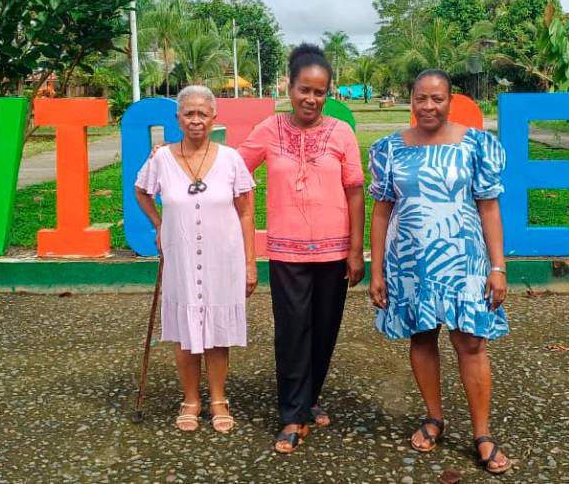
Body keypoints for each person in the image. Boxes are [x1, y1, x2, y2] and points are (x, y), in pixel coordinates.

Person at [367, 69, 512, 474]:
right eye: (420, 98)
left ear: (451, 100)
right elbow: (381, 211)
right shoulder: (389, 149)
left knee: (471, 344)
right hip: (411, 263)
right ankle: (434, 418)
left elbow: (488, 206)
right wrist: (376, 269)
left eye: (437, 99)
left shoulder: (476, 145)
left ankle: (482, 434)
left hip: (464, 262)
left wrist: (497, 267)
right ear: (409, 100)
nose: (428, 107)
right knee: (422, 337)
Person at [238, 44, 366, 454]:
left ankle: (309, 397)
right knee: (292, 332)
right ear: (289, 88)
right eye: (304, 89)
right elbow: (234, 168)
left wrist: (355, 249)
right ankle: (292, 415)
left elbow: (355, 191)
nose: (311, 99)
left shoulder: (341, 132)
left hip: (334, 251)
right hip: (287, 252)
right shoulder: (268, 130)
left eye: (320, 91)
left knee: (325, 331)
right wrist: (182, 156)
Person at [135, 85, 257, 433]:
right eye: (189, 113)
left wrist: (250, 263)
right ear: (178, 118)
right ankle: (190, 399)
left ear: (214, 117)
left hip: (224, 258)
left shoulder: (231, 158)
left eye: (203, 113)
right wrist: (159, 225)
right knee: (185, 331)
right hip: (181, 257)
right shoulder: (161, 159)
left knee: (217, 331)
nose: (196, 120)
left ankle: (219, 399)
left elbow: (247, 213)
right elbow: (141, 190)